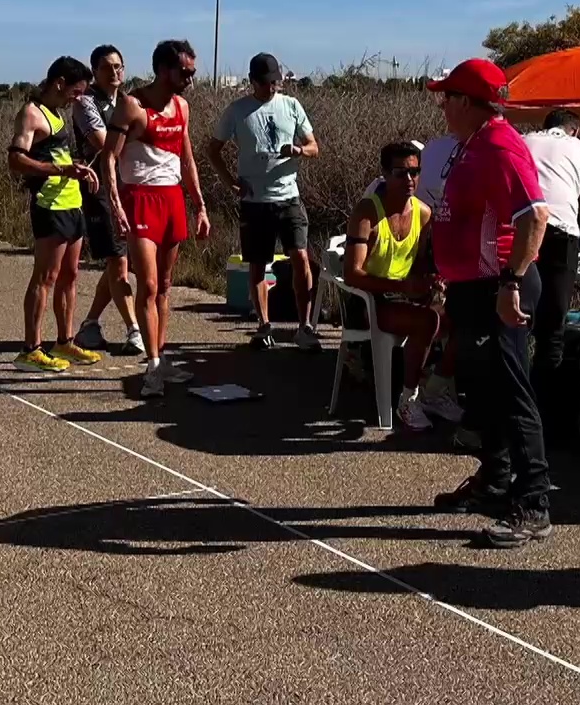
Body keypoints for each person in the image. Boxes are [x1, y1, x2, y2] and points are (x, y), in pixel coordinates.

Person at [425, 59, 554, 548]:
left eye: (446, 97)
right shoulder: (470, 145)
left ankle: (534, 502)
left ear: (465, 102)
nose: (441, 106)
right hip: (471, 288)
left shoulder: (500, 145)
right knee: (481, 392)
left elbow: (534, 217)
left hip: (498, 287)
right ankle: (496, 480)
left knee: (511, 392)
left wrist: (511, 282)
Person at [100, 39, 210, 398]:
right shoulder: (132, 106)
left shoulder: (182, 107)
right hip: (140, 199)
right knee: (146, 285)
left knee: (164, 285)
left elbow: (188, 159)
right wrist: (116, 204)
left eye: (193, 71)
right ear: (164, 70)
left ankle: (161, 358)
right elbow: (109, 159)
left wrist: (200, 206)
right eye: (185, 71)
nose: (190, 78)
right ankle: (151, 367)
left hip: (171, 197)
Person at [207, 52, 322, 351]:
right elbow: (213, 150)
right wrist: (230, 181)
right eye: (267, 83)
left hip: (288, 197)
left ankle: (305, 325)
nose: (273, 88)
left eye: (277, 82)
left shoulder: (292, 106)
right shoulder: (237, 111)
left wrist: (298, 151)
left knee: (300, 258)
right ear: (253, 82)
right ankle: (263, 325)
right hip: (255, 201)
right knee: (257, 265)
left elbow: (314, 147)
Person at [8, 56, 103, 373]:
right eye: (76, 92)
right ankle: (30, 348)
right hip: (49, 205)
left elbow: (58, 155)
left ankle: (65, 340)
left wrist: (79, 170)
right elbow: (16, 161)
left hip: (71, 202)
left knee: (69, 276)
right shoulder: (31, 114)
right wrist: (60, 169)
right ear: (59, 83)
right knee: (45, 277)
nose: (78, 98)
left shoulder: (56, 113)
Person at [341, 141, 443, 432]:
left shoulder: (423, 214)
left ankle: (436, 388)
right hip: (371, 300)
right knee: (427, 321)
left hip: (405, 296)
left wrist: (433, 281)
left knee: (461, 314)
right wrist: (400, 286)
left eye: (415, 172)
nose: (409, 180)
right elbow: (352, 274)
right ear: (385, 173)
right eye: (401, 173)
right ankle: (407, 399)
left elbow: (421, 262)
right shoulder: (367, 213)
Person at [521, 109, 580, 427]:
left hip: (516, 230)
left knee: (513, 326)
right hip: (559, 237)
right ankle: (543, 421)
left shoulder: (520, 141)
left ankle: (507, 413)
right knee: (551, 333)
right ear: (575, 131)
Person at [73, 45, 143, 356]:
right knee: (119, 261)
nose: (114, 72)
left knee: (119, 259)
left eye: (118, 66)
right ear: (95, 72)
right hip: (99, 187)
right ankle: (134, 329)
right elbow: (104, 144)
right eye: (106, 68)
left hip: (127, 184)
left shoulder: (128, 101)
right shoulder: (86, 103)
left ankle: (90, 324)